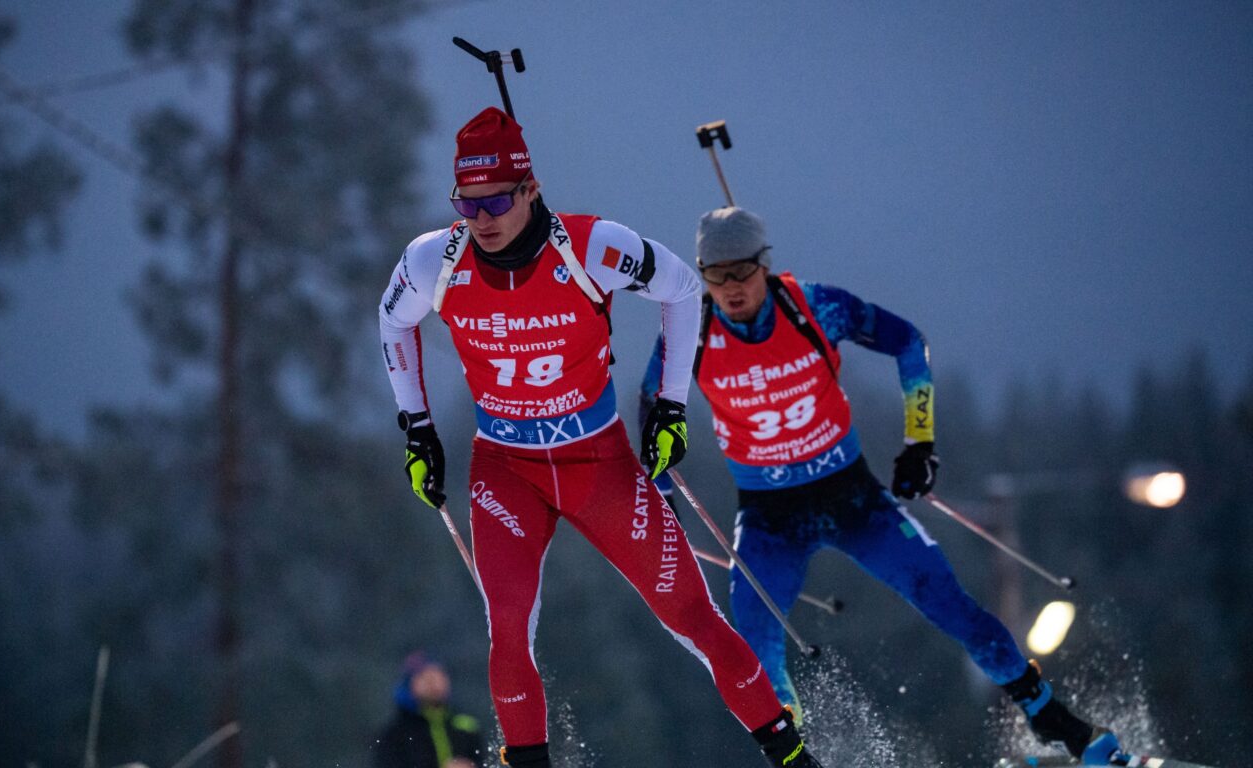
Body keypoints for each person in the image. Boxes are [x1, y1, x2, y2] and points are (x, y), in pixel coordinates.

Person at [378, 108, 822, 768]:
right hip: (506, 469)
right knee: (508, 629)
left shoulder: (590, 246)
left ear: (530, 189)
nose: (482, 218)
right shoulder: (432, 260)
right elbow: (392, 326)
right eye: (467, 204)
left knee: (693, 621)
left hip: (599, 463)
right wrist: (418, 431)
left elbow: (679, 291)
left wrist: (669, 407)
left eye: (498, 198)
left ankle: (793, 759)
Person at [639, 206, 1123, 765]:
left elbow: (907, 342)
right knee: (752, 640)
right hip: (770, 520)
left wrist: (920, 442)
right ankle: (791, 756)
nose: (731, 288)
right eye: (715, 274)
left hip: (853, 501)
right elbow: (652, 398)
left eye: (742, 271)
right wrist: (662, 486)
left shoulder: (815, 306)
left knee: (947, 602)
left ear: (765, 266)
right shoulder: (691, 331)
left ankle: (1053, 720)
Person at [373, 652, 486, 768]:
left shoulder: (467, 725)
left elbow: (484, 761)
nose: (433, 683)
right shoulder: (395, 734)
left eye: (438, 675)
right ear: (409, 684)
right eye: (424, 677)